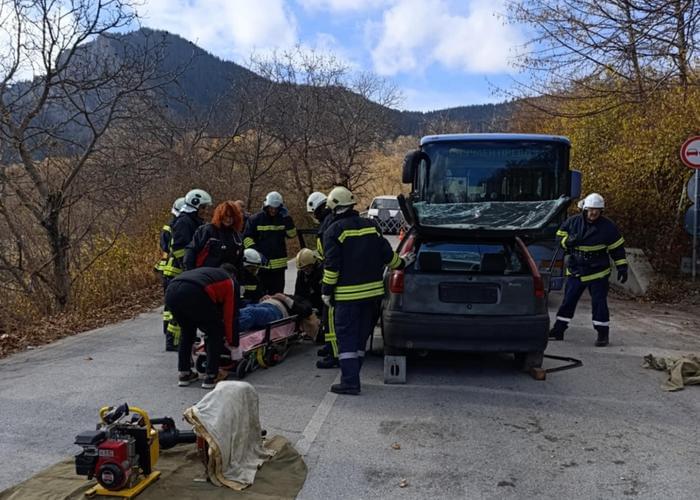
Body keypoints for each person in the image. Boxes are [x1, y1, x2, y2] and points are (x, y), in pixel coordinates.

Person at [321, 186, 410, 395]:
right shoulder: (372, 225)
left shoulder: (333, 231)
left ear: (334, 207)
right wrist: (404, 263)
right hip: (372, 297)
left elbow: (332, 267)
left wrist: (326, 290)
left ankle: (350, 382)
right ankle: (353, 375)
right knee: (361, 338)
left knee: (347, 339)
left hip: (347, 298)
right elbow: (388, 257)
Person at [548, 193, 628, 347]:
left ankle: (602, 334)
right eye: (591, 210)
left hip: (598, 272)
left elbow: (617, 248)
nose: (593, 213)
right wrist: (568, 241)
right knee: (568, 302)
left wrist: (622, 267)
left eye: (597, 211)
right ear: (585, 209)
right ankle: (558, 330)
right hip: (576, 270)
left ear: (601, 211)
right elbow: (559, 237)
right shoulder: (573, 222)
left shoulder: (608, 227)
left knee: (599, 304)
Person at [165, 264, 240, 389]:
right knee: (214, 332)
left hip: (171, 291)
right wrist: (233, 343)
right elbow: (230, 316)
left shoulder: (209, 273)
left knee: (187, 331)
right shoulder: (229, 281)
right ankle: (211, 376)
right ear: (234, 276)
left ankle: (184, 374)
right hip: (195, 292)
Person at [162, 189, 214, 351]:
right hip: (178, 271)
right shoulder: (184, 222)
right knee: (179, 309)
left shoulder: (194, 221)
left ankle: (182, 337)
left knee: (183, 308)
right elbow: (178, 248)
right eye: (204, 208)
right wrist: (188, 266)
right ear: (195, 205)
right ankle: (173, 341)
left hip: (185, 270)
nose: (206, 211)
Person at [306, 191, 340, 368]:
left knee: (330, 317)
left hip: (331, 276)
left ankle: (334, 354)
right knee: (328, 316)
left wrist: (327, 284)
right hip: (329, 273)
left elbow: (329, 256)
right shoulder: (329, 220)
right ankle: (329, 347)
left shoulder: (328, 224)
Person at [243, 191, 296, 295]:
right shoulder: (255, 220)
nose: (273, 210)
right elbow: (247, 238)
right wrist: (256, 253)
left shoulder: (283, 219)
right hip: (260, 267)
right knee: (261, 295)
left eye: (276, 208)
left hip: (279, 269)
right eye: (271, 208)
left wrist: (287, 219)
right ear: (265, 206)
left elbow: (292, 234)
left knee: (278, 296)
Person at [155, 196, 185, 349]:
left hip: (168, 267)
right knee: (173, 303)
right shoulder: (176, 227)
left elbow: (164, 247)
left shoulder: (169, 226)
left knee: (168, 302)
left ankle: (167, 329)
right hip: (174, 268)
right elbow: (170, 248)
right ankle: (171, 334)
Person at [184, 201, 244, 271]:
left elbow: (239, 262)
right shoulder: (207, 230)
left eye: (231, 217)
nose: (228, 219)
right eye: (226, 216)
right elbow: (191, 251)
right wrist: (190, 271)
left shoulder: (237, 238)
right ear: (220, 215)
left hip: (225, 277)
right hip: (204, 274)